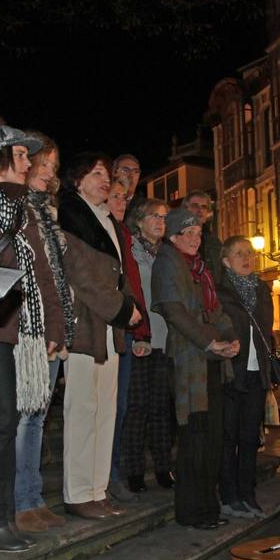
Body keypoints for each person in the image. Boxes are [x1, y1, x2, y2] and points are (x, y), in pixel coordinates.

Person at [0, 126, 66, 550]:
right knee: (1, 419)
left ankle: (0, 518)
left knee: (9, 419)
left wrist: (54, 327)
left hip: (26, 329)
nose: (28, 163)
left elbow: (44, 273)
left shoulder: (27, 208)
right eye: (21, 156)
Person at [56, 153, 141, 518]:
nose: (104, 180)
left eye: (106, 174)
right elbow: (83, 275)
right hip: (84, 324)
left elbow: (118, 275)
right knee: (83, 409)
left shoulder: (106, 218)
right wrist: (125, 308)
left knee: (106, 411)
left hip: (109, 327)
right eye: (95, 173)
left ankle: (97, 488)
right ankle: (78, 493)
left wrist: (126, 305)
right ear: (77, 180)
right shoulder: (72, 216)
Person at [153, 207, 239, 529]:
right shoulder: (168, 262)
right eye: (187, 233)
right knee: (194, 437)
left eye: (198, 233)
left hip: (210, 362)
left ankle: (208, 507)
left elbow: (215, 309)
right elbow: (175, 312)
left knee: (212, 437)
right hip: (189, 361)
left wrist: (230, 337)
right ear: (173, 236)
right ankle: (192, 511)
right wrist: (209, 342)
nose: (194, 238)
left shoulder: (200, 269)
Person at [10, 135, 73, 532]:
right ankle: (20, 501)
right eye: (43, 164)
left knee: (37, 416)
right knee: (24, 417)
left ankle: (32, 498)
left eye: (53, 166)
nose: (49, 173)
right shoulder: (15, 206)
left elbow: (57, 274)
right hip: (24, 326)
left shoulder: (47, 212)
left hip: (50, 322)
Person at [217, 236, 275, 518]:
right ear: (226, 261)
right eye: (239, 253)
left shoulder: (262, 289)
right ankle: (229, 495)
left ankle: (248, 493)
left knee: (250, 437)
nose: (246, 258)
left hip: (256, 373)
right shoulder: (221, 291)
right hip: (231, 372)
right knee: (229, 437)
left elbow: (268, 330)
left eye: (249, 253)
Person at [120, 198, 176, 493]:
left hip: (166, 340)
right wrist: (139, 334)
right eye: (153, 215)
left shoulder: (168, 254)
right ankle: (134, 471)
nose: (159, 221)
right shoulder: (130, 251)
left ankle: (164, 468)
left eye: (164, 217)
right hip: (142, 338)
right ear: (139, 220)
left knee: (160, 408)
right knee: (137, 407)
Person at [106, 178, 150, 502]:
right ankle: (104, 477)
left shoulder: (126, 237)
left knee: (120, 408)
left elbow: (132, 286)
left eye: (124, 197)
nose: (121, 202)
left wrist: (141, 328)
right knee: (107, 409)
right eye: (114, 196)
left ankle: (112, 473)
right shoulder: (102, 232)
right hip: (106, 329)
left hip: (127, 329)